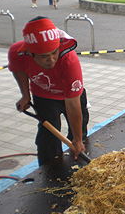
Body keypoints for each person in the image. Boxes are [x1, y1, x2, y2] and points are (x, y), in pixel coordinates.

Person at [8, 16, 89, 166]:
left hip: (70, 96)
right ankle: (50, 171)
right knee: (48, 137)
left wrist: (77, 139)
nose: (51, 60)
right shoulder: (16, 53)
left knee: (79, 133)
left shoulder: (68, 59)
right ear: (29, 52)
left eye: (54, 53)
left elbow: (72, 104)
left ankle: (78, 160)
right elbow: (18, 70)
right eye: (44, 57)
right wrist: (25, 95)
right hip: (43, 95)